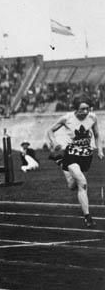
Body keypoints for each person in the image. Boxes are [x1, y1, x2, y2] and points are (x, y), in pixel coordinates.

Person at [47, 97, 103, 228]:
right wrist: (54, 142)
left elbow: (97, 134)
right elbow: (50, 131)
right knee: (83, 183)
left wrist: (99, 149)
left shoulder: (93, 118)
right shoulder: (67, 118)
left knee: (73, 186)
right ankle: (87, 217)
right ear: (76, 109)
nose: (85, 111)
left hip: (86, 156)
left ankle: (61, 163)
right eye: (82, 109)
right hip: (71, 154)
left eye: (87, 108)